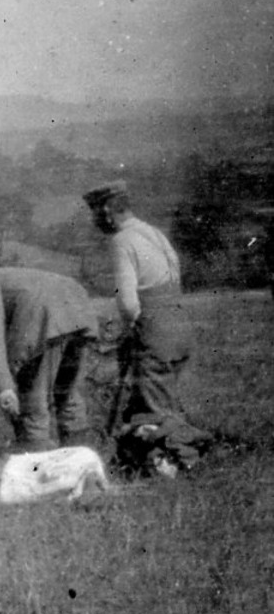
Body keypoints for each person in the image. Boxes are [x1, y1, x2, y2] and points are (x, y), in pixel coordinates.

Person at [83, 181, 210, 471]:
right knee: (167, 401)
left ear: (106, 211)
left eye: (95, 214)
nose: (94, 221)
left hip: (155, 330)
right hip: (180, 323)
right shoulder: (152, 232)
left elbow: (128, 303)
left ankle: (182, 463)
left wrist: (131, 328)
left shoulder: (121, 241)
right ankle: (168, 457)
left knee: (155, 408)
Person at [0, 266, 99, 451]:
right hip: (79, 308)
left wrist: (4, 386)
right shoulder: (14, 275)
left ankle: (36, 462)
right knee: (68, 395)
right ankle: (80, 463)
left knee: (33, 397)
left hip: (45, 315)